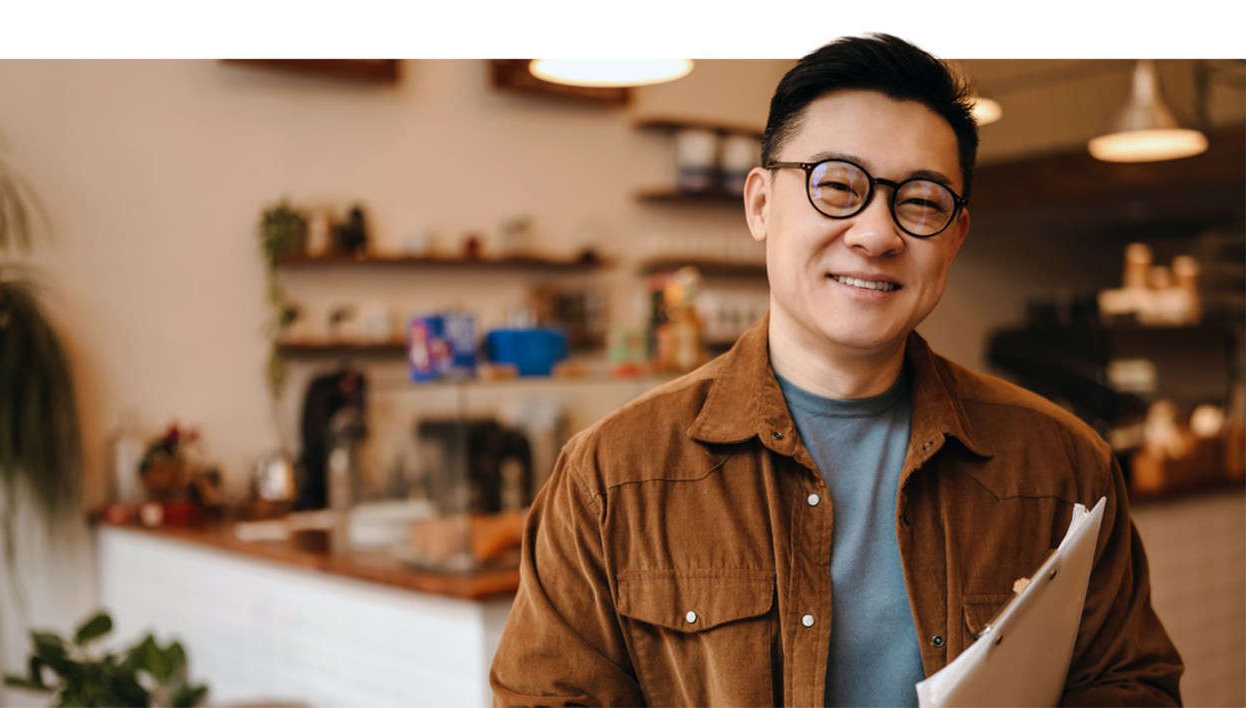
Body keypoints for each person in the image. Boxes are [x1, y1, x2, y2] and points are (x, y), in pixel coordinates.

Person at [490, 34, 1183, 706]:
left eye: (921, 201)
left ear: (955, 237)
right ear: (760, 203)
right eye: (838, 185)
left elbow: (1130, 686)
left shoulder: (1062, 466)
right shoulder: (611, 477)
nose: (877, 234)